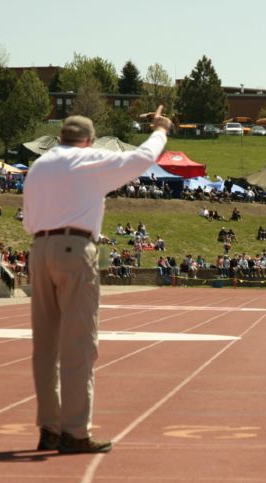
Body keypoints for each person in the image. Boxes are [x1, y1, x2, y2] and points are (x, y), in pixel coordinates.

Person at [23, 108, 171, 454]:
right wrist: (160, 130)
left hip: (39, 248)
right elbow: (142, 158)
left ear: (60, 137)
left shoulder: (39, 166)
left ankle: (49, 428)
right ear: (88, 141)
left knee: (45, 346)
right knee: (79, 344)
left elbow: (29, 216)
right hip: (75, 248)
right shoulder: (88, 160)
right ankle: (75, 432)